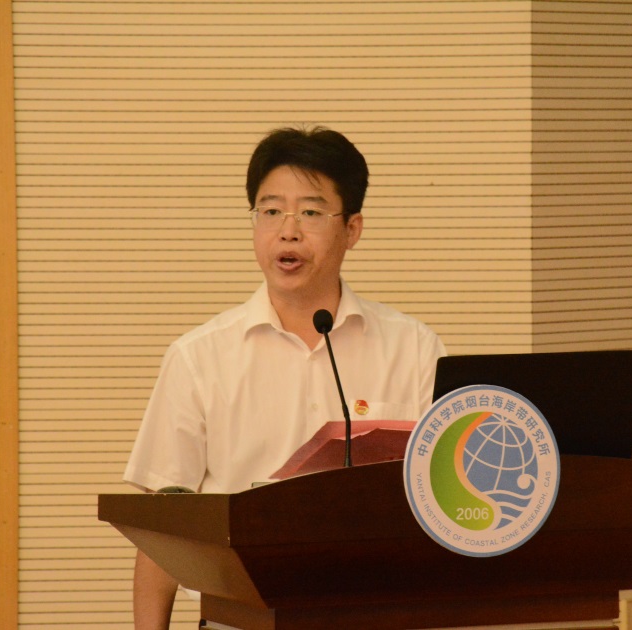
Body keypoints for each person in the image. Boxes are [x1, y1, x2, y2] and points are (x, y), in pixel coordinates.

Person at [122, 126, 447, 629]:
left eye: (311, 213)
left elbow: (445, 502)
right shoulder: (199, 358)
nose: (287, 231)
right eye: (270, 211)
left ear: (352, 229)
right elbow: (164, 532)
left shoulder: (414, 349)